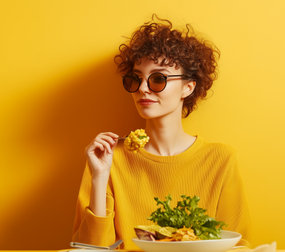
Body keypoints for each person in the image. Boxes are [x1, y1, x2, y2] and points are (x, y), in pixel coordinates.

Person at [71, 13, 251, 250]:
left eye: (158, 79)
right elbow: (88, 250)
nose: (143, 89)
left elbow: (239, 246)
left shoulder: (221, 159)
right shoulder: (107, 157)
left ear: (188, 87)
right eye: (135, 80)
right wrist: (99, 177)